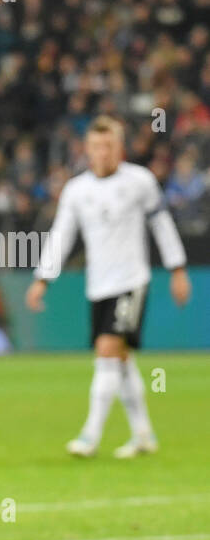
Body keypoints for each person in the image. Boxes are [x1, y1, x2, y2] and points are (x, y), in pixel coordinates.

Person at [27, 115, 192, 458]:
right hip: (98, 285)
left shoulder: (140, 181)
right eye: (96, 146)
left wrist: (178, 268)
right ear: (87, 150)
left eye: (109, 146)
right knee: (121, 358)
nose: (103, 152)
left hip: (131, 282)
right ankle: (144, 434)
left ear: (121, 148)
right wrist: (43, 279)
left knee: (106, 352)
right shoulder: (77, 190)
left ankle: (90, 436)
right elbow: (62, 235)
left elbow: (161, 225)